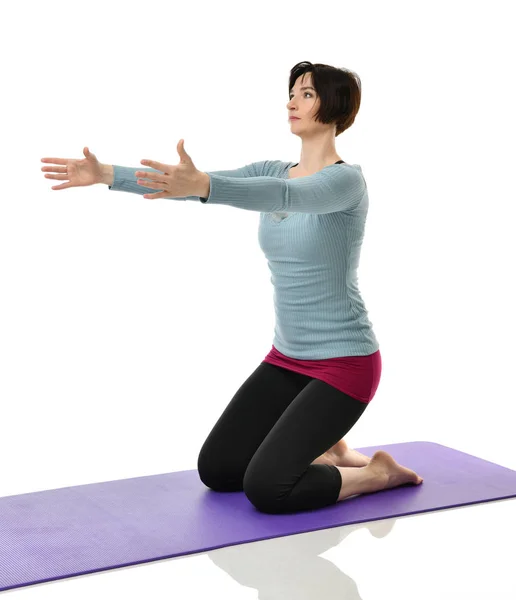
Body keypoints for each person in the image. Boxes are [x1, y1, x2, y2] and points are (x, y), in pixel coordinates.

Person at [41, 61, 423, 515]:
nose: (291, 102)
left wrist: (205, 185)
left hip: (345, 364)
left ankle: (376, 473)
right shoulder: (271, 169)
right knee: (220, 470)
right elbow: (185, 187)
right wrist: (106, 174)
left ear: (335, 105)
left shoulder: (345, 181)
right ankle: (334, 450)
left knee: (269, 488)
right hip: (287, 358)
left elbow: (284, 196)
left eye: (306, 94)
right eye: (292, 93)